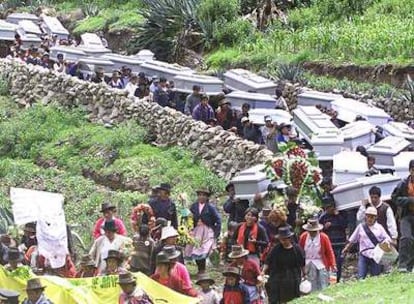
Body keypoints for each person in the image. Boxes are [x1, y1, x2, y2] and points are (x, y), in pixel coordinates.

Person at [342, 207, 391, 279]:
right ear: (365, 216)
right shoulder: (361, 227)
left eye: (372, 217)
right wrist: (346, 248)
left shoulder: (379, 227)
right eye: (368, 216)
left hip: (376, 255)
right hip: (363, 254)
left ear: (375, 217)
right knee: (361, 276)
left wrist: (384, 243)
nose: (370, 219)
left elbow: (387, 239)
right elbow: (353, 239)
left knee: (375, 277)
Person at [262, 226, 305, 304]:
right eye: (281, 239)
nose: (283, 241)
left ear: (289, 238)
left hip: (292, 277)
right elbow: (268, 261)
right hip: (278, 276)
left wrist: (305, 274)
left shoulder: (297, 249)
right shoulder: (276, 249)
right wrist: (263, 271)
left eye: (285, 239)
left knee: (292, 298)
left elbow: (302, 263)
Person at [187, 188, 221, 274]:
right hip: (196, 231)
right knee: (196, 249)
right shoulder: (194, 206)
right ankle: (200, 269)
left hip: (207, 231)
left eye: (204, 195)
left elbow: (218, 220)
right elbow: (189, 218)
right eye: (200, 195)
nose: (201, 197)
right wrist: (189, 228)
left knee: (204, 250)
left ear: (207, 197)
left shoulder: (210, 207)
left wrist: (216, 234)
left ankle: (203, 270)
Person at [299, 219, 336, 291]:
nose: (312, 233)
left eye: (314, 231)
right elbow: (300, 251)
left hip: (320, 263)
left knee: (322, 283)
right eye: (310, 231)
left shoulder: (324, 237)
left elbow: (329, 251)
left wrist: (333, 264)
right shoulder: (303, 237)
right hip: (307, 263)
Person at [319, 197, 347, 282]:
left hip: (340, 243)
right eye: (327, 208)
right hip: (330, 244)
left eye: (330, 207)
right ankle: (330, 280)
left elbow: (344, 225)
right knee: (330, 263)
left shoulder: (340, 215)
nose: (329, 209)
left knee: (338, 263)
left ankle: (337, 280)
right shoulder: (323, 217)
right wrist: (324, 227)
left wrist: (338, 215)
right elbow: (318, 230)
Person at [395, 197, 414, 272]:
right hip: (406, 217)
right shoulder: (403, 185)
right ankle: (402, 265)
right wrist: (409, 200)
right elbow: (395, 198)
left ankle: (409, 267)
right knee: (406, 238)